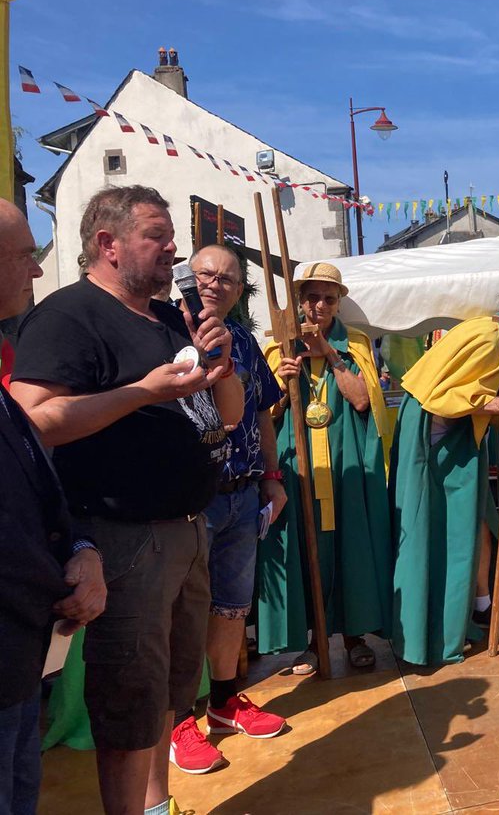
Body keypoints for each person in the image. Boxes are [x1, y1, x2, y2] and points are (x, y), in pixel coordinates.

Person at [11, 185, 241, 815]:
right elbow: (34, 421)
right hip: (123, 536)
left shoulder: (168, 319)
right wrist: (142, 391)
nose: (174, 249)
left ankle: (158, 805)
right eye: (157, 236)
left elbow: (227, 415)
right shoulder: (67, 317)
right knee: (128, 696)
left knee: (170, 687)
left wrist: (221, 370)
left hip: (190, 527)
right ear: (108, 244)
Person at [0, 199, 106, 815]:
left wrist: (80, 549)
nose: (36, 271)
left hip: (20, 654)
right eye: (23, 256)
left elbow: (34, 479)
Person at [168, 246, 288, 775]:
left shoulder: (240, 339)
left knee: (232, 607)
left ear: (240, 292)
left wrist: (273, 476)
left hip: (242, 492)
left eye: (228, 280)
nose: (215, 285)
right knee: (181, 613)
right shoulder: (164, 329)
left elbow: (260, 410)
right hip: (189, 499)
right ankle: (176, 721)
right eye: (205, 275)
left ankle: (223, 702)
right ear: (187, 280)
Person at [390, 290, 499, 666]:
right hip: (439, 436)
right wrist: (496, 404)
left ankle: (478, 606)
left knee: (476, 522)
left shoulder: (491, 334)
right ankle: (437, 631)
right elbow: (439, 399)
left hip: (451, 432)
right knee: (446, 531)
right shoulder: (491, 341)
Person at [259, 262, 394, 675]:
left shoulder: (354, 344)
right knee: (305, 546)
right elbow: (266, 414)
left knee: (349, 545)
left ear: (338, 304)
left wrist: (331, 355)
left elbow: (361, 401)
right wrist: (282, 384)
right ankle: (315, 642)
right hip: (296, 464)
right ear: (300, 301)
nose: (320, 306)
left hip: (345, 465)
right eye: (312, 297)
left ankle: (354, 635)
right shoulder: (277, 345)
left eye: (329, 299)